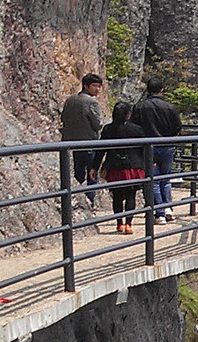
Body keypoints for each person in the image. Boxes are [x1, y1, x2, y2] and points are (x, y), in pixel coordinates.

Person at [134, 76, 182, 217]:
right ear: (162, 90)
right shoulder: (169, 107)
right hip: (167, 146)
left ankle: (159, 213)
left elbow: (134, 127)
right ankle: (167, 208)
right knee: (166, 178)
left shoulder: (140, 107)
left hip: (148, 147)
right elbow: (177, 126)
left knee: (153, 180)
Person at [100, 102, 149, 234]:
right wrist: (149, 163)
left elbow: (101, 150)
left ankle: (119, 223)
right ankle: (128, 224)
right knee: (131, 195)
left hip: (114, 166)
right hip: (133, 166)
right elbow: (144, 149)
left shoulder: (108, 129)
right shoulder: (136, 129)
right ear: (128, 114)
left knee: (117, 195)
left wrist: (95, 166)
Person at [59, 72, 105, 207]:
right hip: (89, 142)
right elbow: (97, 124)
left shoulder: (70, 100)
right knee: (92, 173)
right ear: (86, 86)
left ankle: (77, 199)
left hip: (73, 142)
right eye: (94, 86)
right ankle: (90, 201)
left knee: (78, 173)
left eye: (99, 86)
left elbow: (63, 118)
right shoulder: (92, 102)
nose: (97, 89)